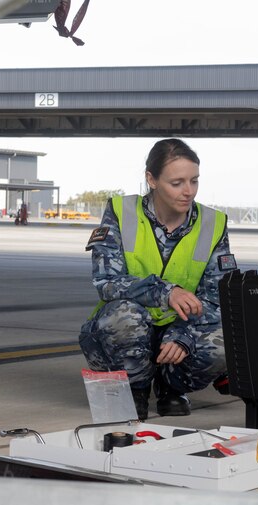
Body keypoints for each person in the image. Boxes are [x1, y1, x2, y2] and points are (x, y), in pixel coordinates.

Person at [79, 138, 236, 421]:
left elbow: (217, 296)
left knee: (227, 343)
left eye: (194, 181)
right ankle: (135, 387)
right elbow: (107, 282)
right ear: (151, 179)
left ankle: (171, 386)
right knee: (123, 317)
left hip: (179, 328)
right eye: (176, 183)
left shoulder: (212, 224)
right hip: (131, 330)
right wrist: (165, 292)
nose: (188, 191)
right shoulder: (121, 212)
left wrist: (184, 333)